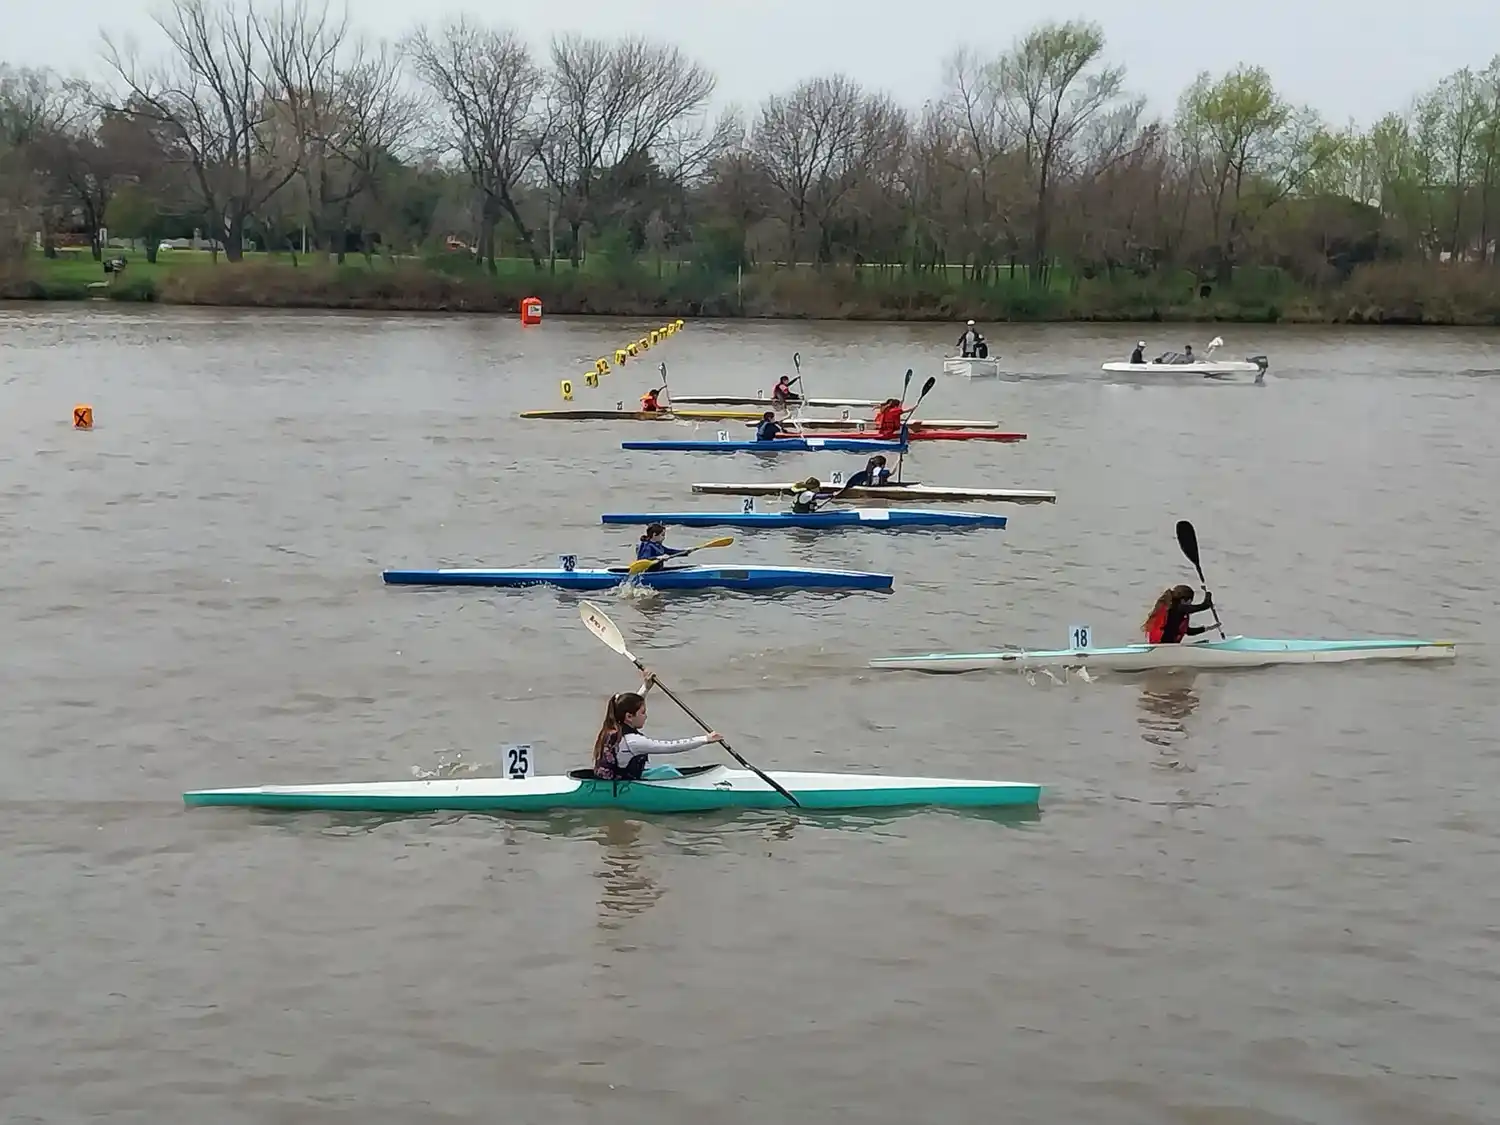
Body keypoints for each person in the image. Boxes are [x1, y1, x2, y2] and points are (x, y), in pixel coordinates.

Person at [592, 672, 724, 781]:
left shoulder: (616, 723)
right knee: (669, 773)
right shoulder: (633, 742)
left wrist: (646, 687)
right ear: (629, 717)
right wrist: (705, 739)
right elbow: (670, 746)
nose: (646, 716)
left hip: (621, 777)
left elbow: (630, 705)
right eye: (643, 713)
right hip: (620, 784)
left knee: (667, 770)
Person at [1142, 585, 1215, 644]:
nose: (1190, 604)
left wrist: (1207, 628)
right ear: (1185, 600)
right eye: (1190, 601)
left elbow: (1187, 631)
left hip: (1164, 645)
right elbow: (1205, 605)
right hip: (1164, 646)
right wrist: (1208, 594)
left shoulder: (1171, 607)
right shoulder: (1178, 608)